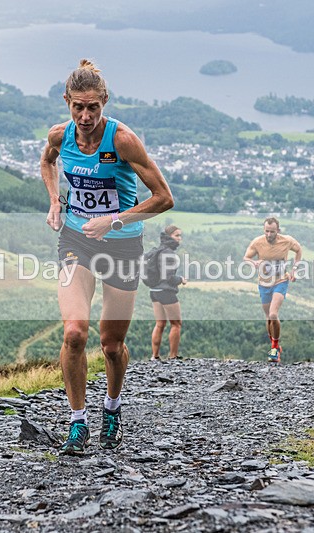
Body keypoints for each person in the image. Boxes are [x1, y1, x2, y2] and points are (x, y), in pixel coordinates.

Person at [40, 59, 174, 455]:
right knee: (74, 332)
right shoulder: (59, 135)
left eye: (93, 108)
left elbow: (164, 198)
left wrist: (113, 221)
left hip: (121, 244)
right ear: (67, 102)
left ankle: (112, 408)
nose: (85, 116)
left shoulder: (123, 140)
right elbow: (47, 162)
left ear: (105, 102)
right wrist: (54, 201)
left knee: (112, 344)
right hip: (76, 240)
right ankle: (77, 422)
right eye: (78, 107)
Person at [243, 217, 302, 364]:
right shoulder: (257, 242)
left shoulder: (286, 240)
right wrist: (254, 262)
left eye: (272, 232)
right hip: (263, 283)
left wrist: (294, 270)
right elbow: (246, 257)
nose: (269, 235)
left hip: (280, 280)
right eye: (266, 231)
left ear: (278, 231)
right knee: (268, 317)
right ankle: (275, 345)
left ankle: (274, 348)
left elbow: (299, 250)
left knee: (273, 314)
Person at [149, 225, 187, 361]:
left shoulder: (158, 250)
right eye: (177, 235)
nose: (179, 238)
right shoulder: (169, 254)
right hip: (166, 292)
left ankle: (155, 356)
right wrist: (181, 279)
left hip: (154, 291)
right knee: (176, 324)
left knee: (160, 323)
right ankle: (173, 356)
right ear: (169, 236)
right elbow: (169, 277)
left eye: (180, 236)